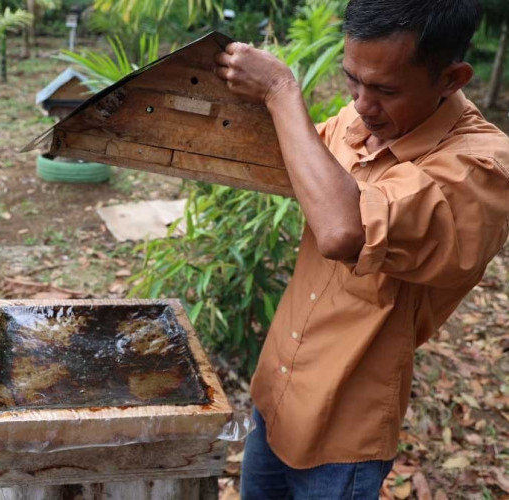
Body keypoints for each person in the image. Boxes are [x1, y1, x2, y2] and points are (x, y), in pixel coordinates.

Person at [214, 0, 509, 498]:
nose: (363, 104)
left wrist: (283, 91)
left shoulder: (480, 168)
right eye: (353, 80)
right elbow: (295, 159)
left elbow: (343, 230)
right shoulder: (365, 118)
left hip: (341, 436)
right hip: (277, 394)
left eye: (386, 90)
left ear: (451, 78)